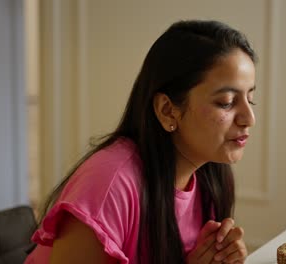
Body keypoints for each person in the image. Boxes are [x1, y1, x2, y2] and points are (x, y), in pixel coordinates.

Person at [25, 19, 257, 264]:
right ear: (168, 110)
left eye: (250, 99)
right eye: (227, 102)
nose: (249, 118)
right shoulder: (109, 184)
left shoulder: (212, 177)